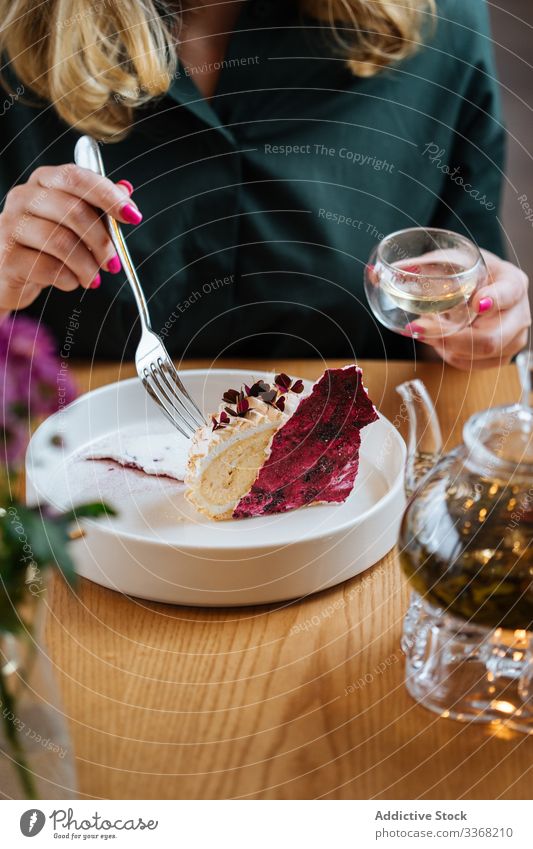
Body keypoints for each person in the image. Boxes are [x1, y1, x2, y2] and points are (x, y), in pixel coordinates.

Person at [0, 0, 529, 367]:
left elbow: (464, 279)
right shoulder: (15, 34)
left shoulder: (441, 21)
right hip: (68, 489)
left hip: (362, 480)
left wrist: (481, 325)